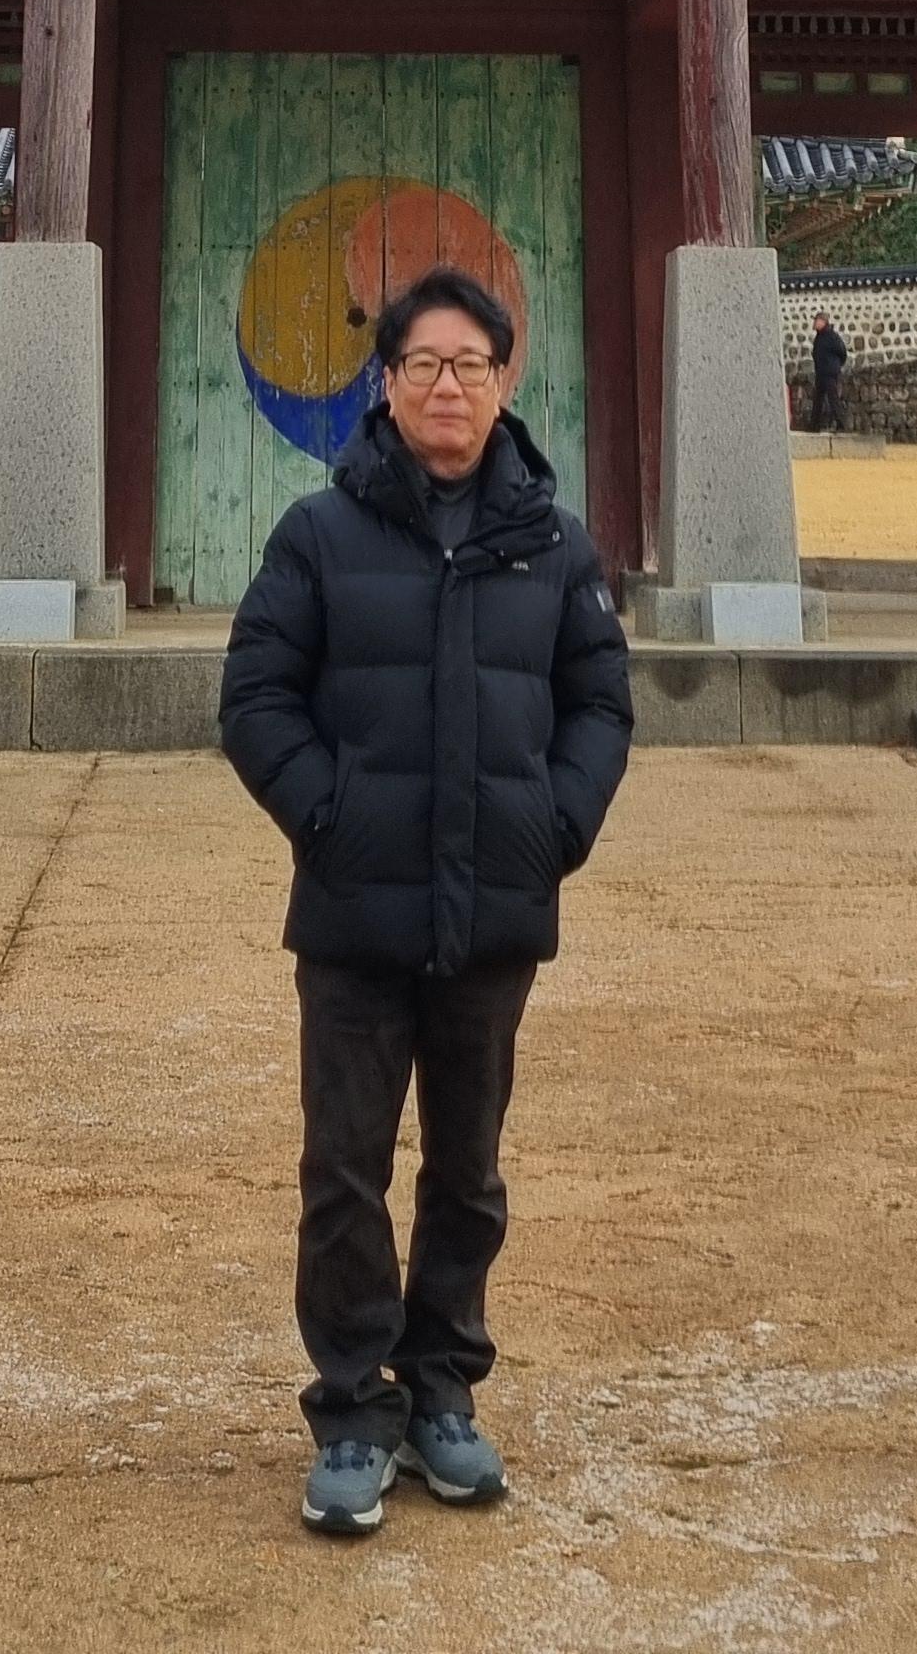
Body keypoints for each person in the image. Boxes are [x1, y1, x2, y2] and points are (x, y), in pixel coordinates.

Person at [219, 266, 632, 1542]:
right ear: (386, 384)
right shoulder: (319, 535)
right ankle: (352, 1407)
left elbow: (600, 703)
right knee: (344, 1170)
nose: (446, 386)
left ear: (505, 383)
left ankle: (443, 1389)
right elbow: (255, 697)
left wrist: (555, 826)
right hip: (355, 916)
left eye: (470, 365)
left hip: (494, 908)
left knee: (469, 1169)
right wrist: (328, 818)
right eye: (422, 365)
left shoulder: (556, 546)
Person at [808, 309, 849, 434]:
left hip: (830, 373)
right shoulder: (819, 337)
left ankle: (841, 424)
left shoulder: (832, 337)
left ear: (823, 322)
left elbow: (842, 352)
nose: (815, 323)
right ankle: (814, 426)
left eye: (817, 320)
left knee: (833, 399)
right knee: (818, 400)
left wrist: (835, 366)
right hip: (821, 373)